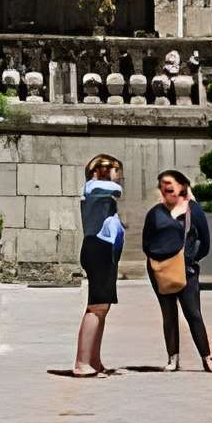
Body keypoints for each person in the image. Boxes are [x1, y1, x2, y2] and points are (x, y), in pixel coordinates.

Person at [141, 168, 212, 372]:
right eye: (162, 186)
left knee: (193, 313)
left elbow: (205, 243)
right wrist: (160, 259)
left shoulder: (194, 210)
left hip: (187, 270)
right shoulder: (155, 213)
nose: (165, 189)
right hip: (161, 270)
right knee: (169, 314)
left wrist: (189, 259)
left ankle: (207, 358)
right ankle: (173, 359)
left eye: (170, 185)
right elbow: (146, 242)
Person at [72, 153, 123, 376]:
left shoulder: (104, 194)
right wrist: (110, 182)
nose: (119, 176)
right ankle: (81, 362)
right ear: (98, 171)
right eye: (115, 170)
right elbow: (112, 190)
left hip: (106, 252)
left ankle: (94, 360)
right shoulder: (93, 188)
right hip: (98, 250)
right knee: (96, 307)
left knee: (102, 308)